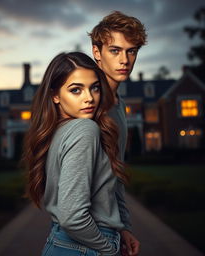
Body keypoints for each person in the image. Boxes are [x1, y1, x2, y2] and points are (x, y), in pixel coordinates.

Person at [23, 51, 130, 255]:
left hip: (62, 242)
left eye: (95, 88)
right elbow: (72, 217)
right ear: (55, 95)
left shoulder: (56, 131)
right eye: (76, 90)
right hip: (85, 245)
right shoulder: (84, 129)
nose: (89, 98)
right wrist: (108, 250)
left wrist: (123, 229)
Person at [89, 11, 147, 256]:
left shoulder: (119, 104)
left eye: (131, 51)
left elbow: (115, 175)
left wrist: (123, 228)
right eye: (115, 50)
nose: (125, 60)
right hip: (84, 238)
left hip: (109, 232)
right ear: (96, 53)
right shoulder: (87, 102)